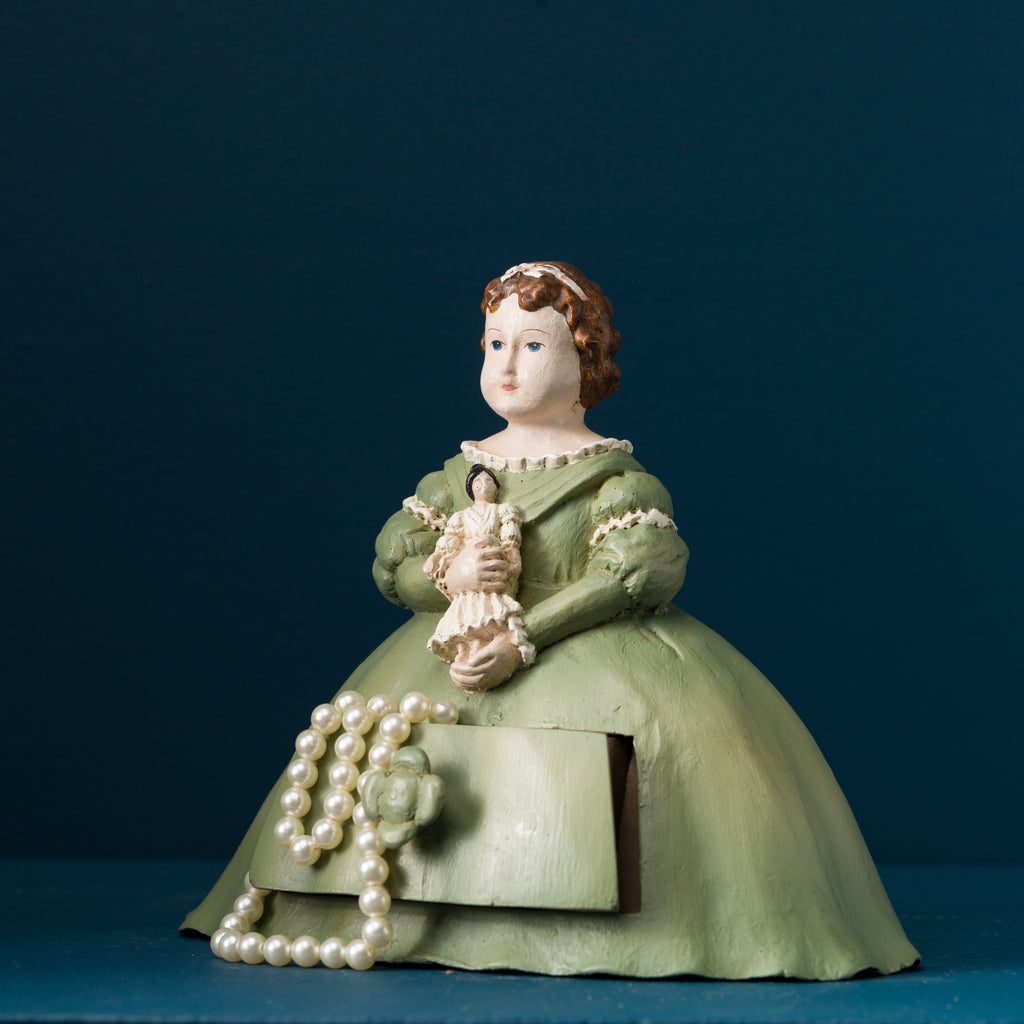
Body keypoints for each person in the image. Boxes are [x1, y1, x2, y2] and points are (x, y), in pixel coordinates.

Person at [182, 261, 919, 979]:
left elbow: (635, 572)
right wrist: (448, 576)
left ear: (585, 360)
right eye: (495, 343)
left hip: (592, 649)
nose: (507, 365)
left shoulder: (613, 478)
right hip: (446, 653)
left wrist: (521, 635)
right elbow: (392, 566)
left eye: (533, 345)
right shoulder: (456, 476)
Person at [423, 464, 535, 690]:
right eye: (477, 483)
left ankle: (487, 650)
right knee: (468, 617)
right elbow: (450, 541)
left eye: (488, 482)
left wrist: (512, 559)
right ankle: (467, 654)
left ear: (496, 487)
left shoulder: (502, 511)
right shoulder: (461, 517)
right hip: (467, 577)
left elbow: (510, 539)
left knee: (491, 614)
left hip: (493, 569)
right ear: (471, 488)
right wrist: (442, 562)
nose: (483, 486)